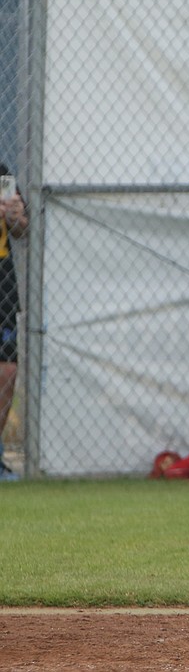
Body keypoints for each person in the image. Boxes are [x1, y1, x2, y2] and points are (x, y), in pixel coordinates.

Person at [0, 164, 28, 482]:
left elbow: (21, 229)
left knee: (7, 370)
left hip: (3, 287)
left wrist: (16, 217)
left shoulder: (3, 174)